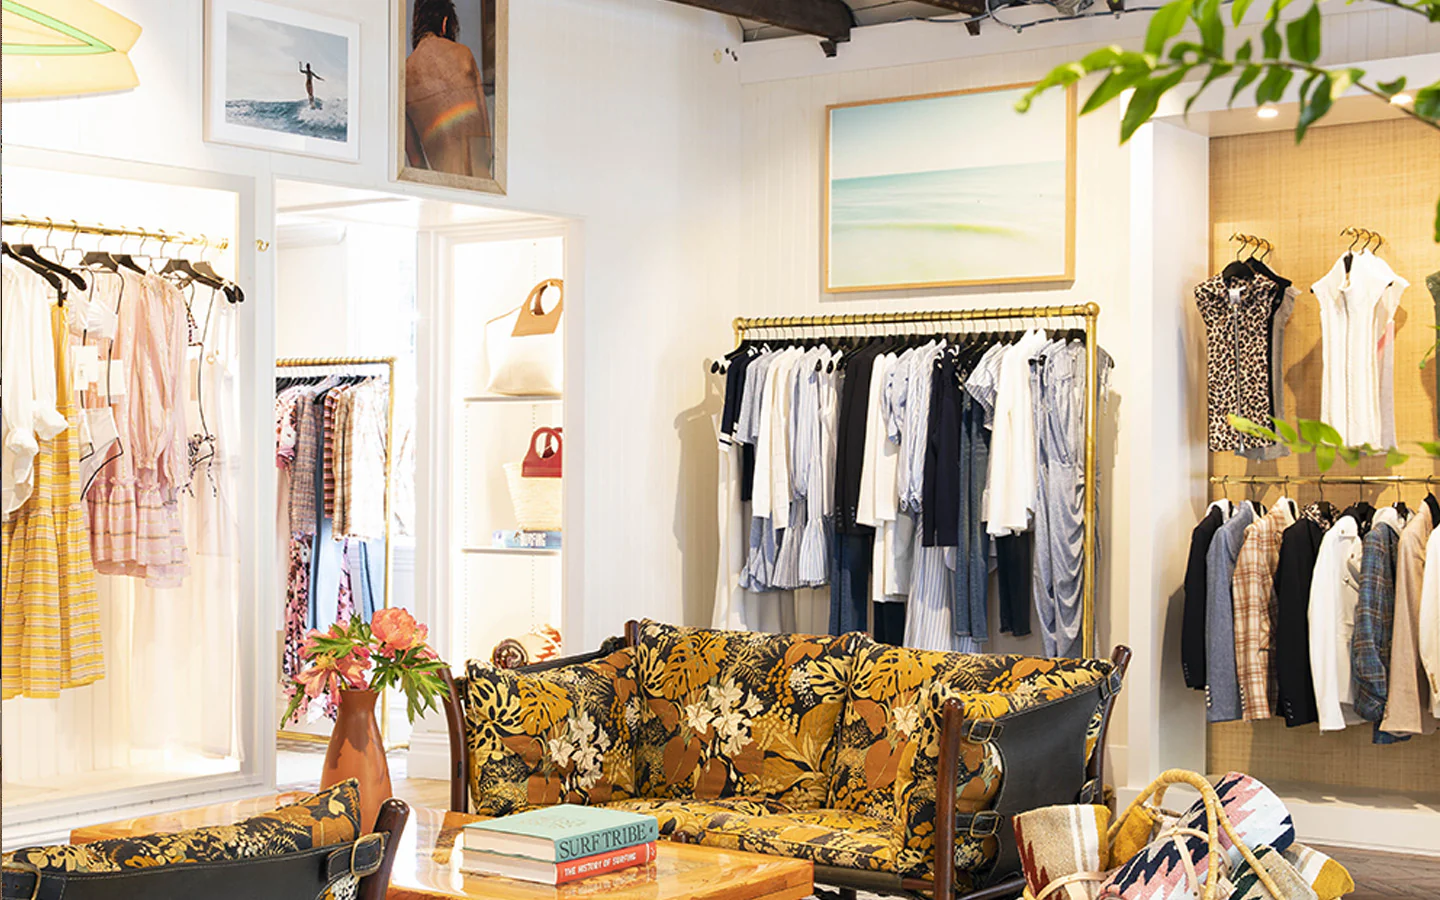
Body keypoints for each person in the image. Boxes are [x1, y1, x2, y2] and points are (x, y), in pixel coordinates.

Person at [405, 0, 492, 177]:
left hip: (444, 186)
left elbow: (416, 163)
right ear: (445, 23)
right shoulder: (464, 55)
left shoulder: (404, 75)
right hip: (482, 182)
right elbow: (486, 145)